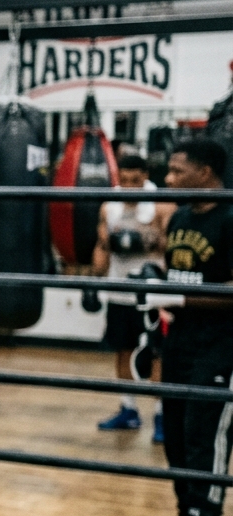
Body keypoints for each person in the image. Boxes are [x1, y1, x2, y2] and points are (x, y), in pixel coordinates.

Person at [154, 139, 233, 516]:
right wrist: (155, 288)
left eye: (177, 170)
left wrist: (181, 299)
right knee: (178, 439)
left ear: (205, 173)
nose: (168, 178)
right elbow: (178, 273)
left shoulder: (231, 216)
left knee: (207, 437)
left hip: (221, 345)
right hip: (180, 341)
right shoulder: (181, 217)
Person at [93, 154, 175, 438]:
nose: (129, 186)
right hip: (119, 291)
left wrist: (150, 239)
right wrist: (94, 279)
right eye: (124, 180)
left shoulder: (161, 205)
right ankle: (128, 409)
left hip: (152, 294)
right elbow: (101, 245)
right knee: (123, 351)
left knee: (156, 354)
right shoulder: (109, 207)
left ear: (145, 177)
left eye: (135, 181)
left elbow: (173, 249)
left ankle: (161, 415)